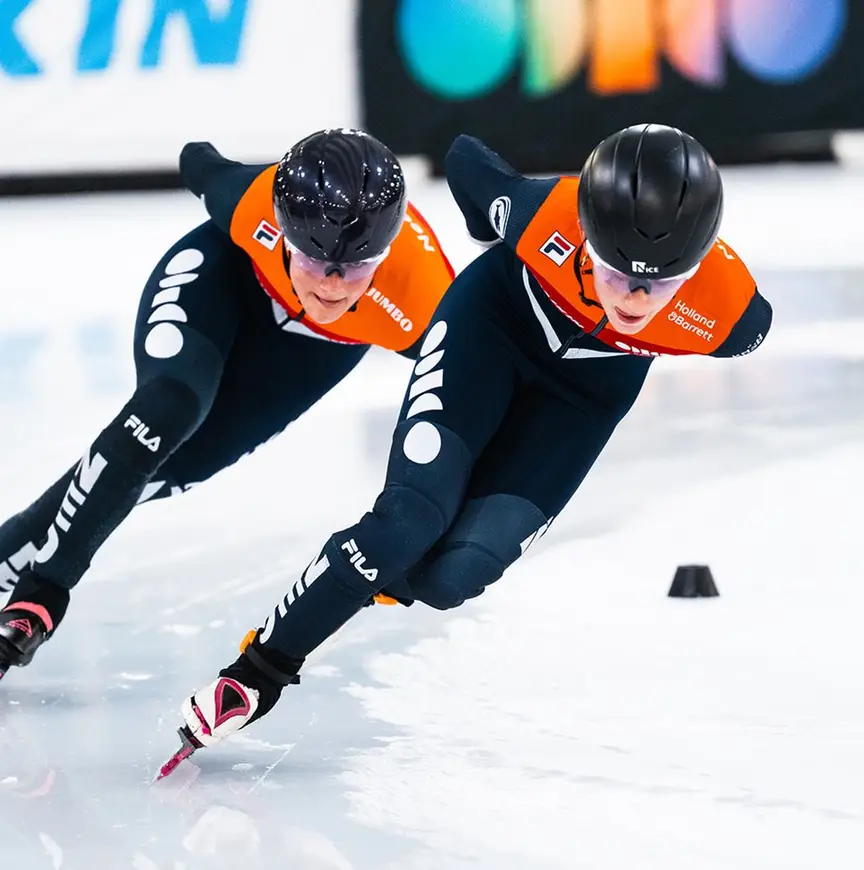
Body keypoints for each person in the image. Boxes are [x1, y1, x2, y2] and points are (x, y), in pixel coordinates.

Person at [155, 122, 773, 771]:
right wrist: (490, 236)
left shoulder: (734, 318)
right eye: (616, 273)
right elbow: (465, 161)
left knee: (454, 574)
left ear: (698, 265)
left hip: (583, 399)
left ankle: (353, 576)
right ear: (585, 235)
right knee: (409, 519)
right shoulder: (542, 218)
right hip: (492, 327)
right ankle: (258, 671)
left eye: (661, 283)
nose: (636, 298)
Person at [0, 128, 455, 679]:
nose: (332, 287)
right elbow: (201, 162)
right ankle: (42, 596)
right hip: (223, 284)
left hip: (311, 354)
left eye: (358, 267)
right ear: (283, 231)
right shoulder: (251, 201)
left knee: (164, 471)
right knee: (167, 408)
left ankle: (22, 582)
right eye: (313, 260)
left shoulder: (425, 302)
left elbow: (485, 397)